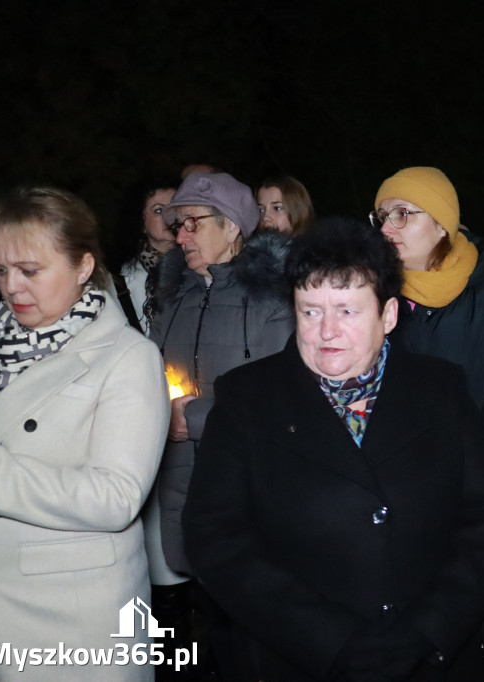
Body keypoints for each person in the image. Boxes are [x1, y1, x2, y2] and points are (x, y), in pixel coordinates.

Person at [182, 216, 484, 681]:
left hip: (436, 658)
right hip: (301, 659)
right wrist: (329, 638)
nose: (325, 332)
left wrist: (432, 627)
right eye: (310, 310)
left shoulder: (439, 389)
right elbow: (215, 537)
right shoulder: (247, 398)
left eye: (347, 310)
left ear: (388, 315)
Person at [0, 187, 169, 680]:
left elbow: (116, 497)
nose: (12, 287)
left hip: (77, 627)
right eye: (0, 270)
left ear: (83, 267)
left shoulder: (127, 357)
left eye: (30, 270)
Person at [371, 166, 484, 669]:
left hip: (483, 517)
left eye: (403, 214)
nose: (387, 226)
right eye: (382, 215)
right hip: (403, 520)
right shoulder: (374, 307)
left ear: (443, 226)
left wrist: (466, 485)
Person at [145, 171, 295, 672]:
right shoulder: (175, 300)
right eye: (176, 223)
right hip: (182, 487)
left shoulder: (275, 300)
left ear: (232, 227)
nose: (179, 235)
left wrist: (195, 417)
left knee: (252, 640)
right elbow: (150, 376)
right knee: (208, 629)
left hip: (247, 492)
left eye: (192, 223)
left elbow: (283, 392)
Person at [107, 173, 180, 333]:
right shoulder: (119, 282)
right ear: (141, 223)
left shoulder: (201, 268)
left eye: (175, 208)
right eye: (159, 210)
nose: (169, 216)